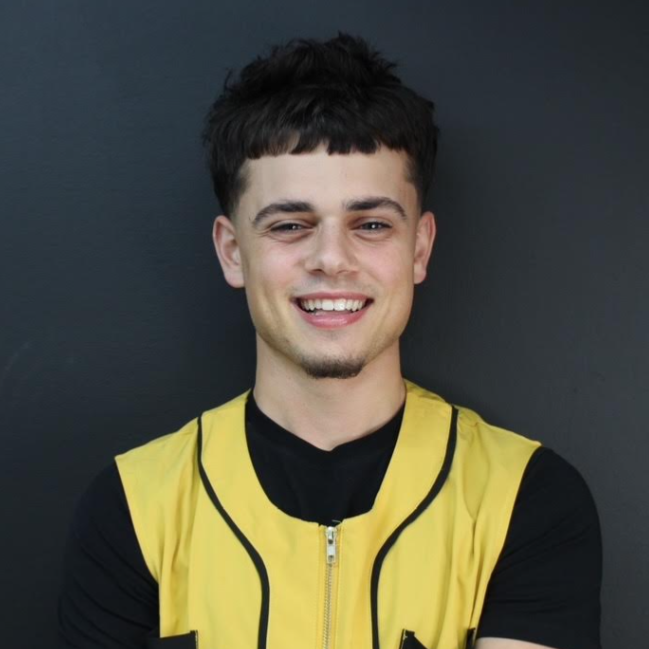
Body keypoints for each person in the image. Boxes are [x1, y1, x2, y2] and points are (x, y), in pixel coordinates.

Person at [58, 33, 602, 649]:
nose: (332, 259)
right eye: (291, 225)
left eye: (371, 224)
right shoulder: (134, 506)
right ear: (232, 252)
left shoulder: (524, 496)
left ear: (419, 248)